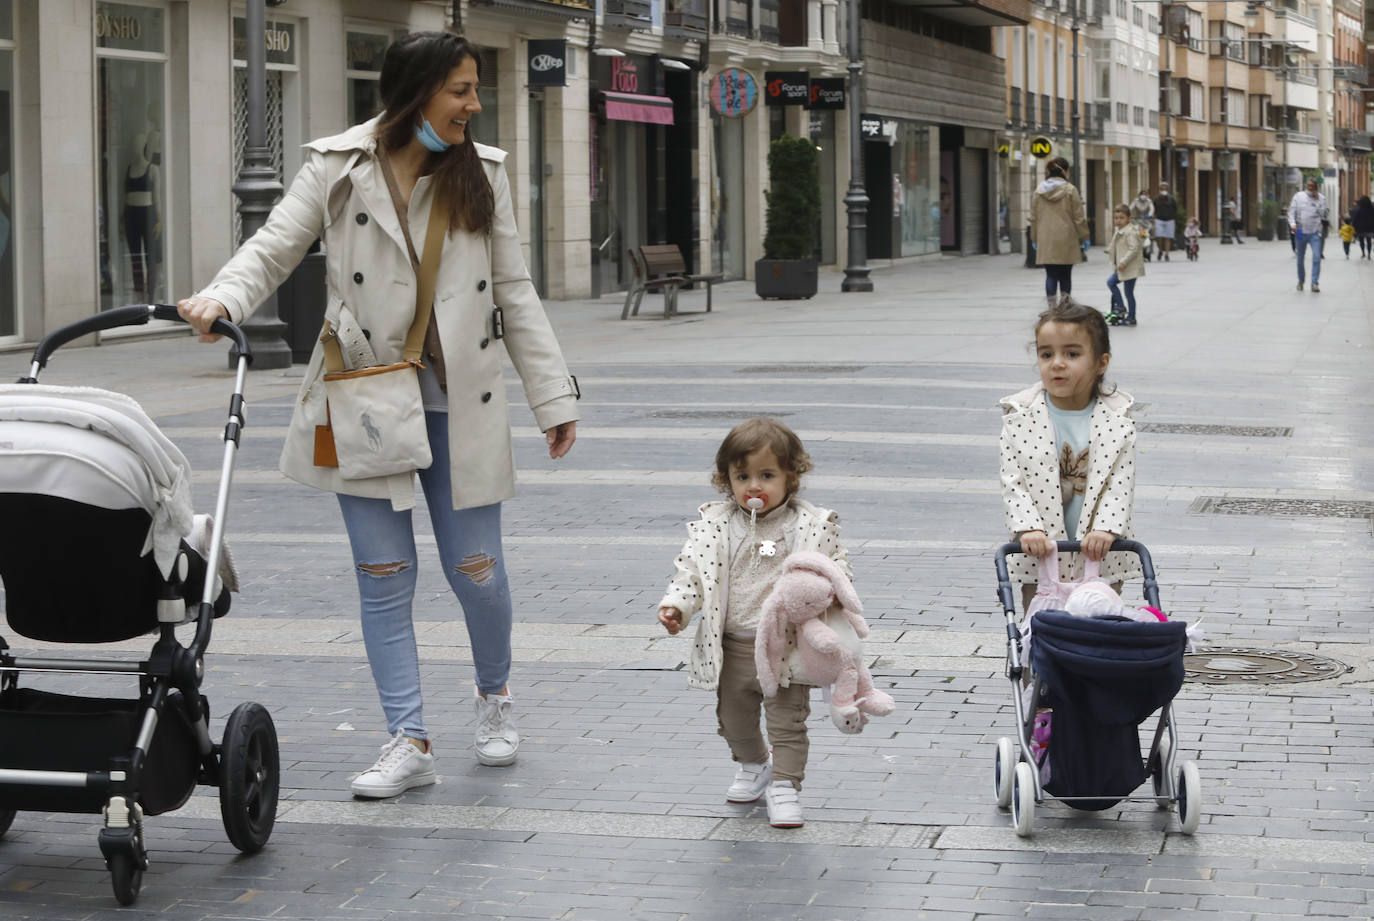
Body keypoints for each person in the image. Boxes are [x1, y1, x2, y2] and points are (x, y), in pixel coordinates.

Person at [177, 32, 581, 797]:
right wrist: (223, 296)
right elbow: (272, 246)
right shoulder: (338, 167)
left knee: (476, 569)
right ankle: (409, 737)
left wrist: (552, 395)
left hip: (457, 402)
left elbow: (515, 293)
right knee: (383, 573)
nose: (473, 103)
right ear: (418, 91)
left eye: (474, 88)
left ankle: (493, 697)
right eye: (460, 89)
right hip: (363, 395)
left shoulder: (481, 174)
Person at [657, 418, 851, 829]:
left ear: (791, 478)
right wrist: (677, 605)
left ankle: (784, 786)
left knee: (788, 722)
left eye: (767, 475)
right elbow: (691, 573)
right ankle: (753, 764)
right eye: (741, 476)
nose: (753, 486)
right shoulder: (716, 526)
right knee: (734, 719)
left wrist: (829, 591)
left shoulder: (809, 527)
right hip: (732, 646)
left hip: (787, 648)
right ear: (726, 479)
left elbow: (836, 569)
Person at [999, 297, 1141, 614]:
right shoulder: (1020, 418)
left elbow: (1121, 481)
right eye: (1046, 354)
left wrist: (1106, 528)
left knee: (1099, 622)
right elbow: (1013, 482)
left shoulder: (1118, 419)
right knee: (1041, 627)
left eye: (1072, 354)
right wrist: (1027, 528)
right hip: (1042, 549)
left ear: (1100, 363)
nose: (1057, 363)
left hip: (1100, 550)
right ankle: (1033, 664)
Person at [1029, 156, 1090, 300]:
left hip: (1046, 239)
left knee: (1050, 275)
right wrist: (1085, 236)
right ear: (1065, 171)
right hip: (1066, 239)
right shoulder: (1070, 190)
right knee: (1065, 275)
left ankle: (1051, 309)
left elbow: (1034, 217)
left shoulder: (1039, 191)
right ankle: (1065, 306)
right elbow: (1079, 217)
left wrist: (1034, 238)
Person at [123, 132, 161, 300]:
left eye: (138, 143)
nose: (135, 146)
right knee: (135, 258)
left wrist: (159, 220)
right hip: (131, 214)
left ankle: (151, 297)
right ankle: (139, 296)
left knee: (149, 257)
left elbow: (157, 197)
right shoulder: (129, 168)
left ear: (144, 145)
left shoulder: (152, 169)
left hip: (148, 213)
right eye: (133, 143)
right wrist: (120, 217)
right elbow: (123, 196)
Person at [1105, 205, 1144, 327]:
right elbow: (1115, 245)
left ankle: (1122, 309)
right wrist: (1109, 251)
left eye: (1121, 218)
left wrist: (1123, 262)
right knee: (1128, 292)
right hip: (1123, 267)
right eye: (1116, 218)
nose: (1118, 220)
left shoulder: (1130, 232)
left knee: (1113, 284)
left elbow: (1134, 248)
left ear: (1128, 218)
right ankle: (1130, 316)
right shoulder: (1120, 230)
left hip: (1129, 267)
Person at [1288, 178, 1329, 292]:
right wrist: (1292, 224)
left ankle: (1314, 283)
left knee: (1316, 257)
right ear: (1306, 186)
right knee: (1300, 259)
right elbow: (1291, 212)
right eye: (1308, 186)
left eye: (1312, 186)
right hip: (1300, 231)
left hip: (1315, 232)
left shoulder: (1321, 198)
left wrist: (1317, 201)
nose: (1310, 188)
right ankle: (1301, 281)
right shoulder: (1298, 196)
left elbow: (1324, 215)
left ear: (1316, 187)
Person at [1151, 183, 1178, 261]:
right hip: (1159, 219)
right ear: (1160, 190)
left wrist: (1173, 217)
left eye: (1165, 189)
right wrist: (1153, 217)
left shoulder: (1171, 199)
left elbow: (1175, 208)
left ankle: (1166, 254)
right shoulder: (1156, 199)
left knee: (1167, 237)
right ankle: (1160, 250)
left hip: (1169, 220)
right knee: (1158, 236)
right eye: (1162, 189)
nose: (1163, 191)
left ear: (1167, 189)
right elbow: (1153, 208)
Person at [1129, 190, 1153, 262]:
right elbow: (1131, 207)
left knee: (1147, 234)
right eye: (1142, 194)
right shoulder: (1136, 201)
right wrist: (1128, 214)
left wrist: (1150, 215)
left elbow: (1152, 209)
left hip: (1146, 220)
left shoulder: (1149, 201)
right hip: (1137, 220)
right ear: (1139, 195)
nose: (1143, 196)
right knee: (1136, 234)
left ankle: (1147, 250)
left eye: (1145, 194)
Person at [1351, 195, 1374, 260]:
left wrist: (1354, 226)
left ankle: (1363, 252)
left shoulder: (1358, 209)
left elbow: (1354, 218)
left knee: (1361, 241)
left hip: (1360, 228)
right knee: (1369, 241)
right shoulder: (1372, 208)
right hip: (1370, 228)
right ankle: (1369, 254)